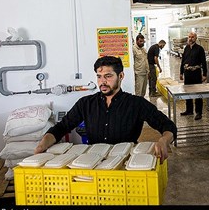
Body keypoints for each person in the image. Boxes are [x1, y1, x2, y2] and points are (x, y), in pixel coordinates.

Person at [35, 56, 176, 164]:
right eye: (99, 76)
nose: (102, 81)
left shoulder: (136, 104)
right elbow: (62, 127)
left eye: (108, 76)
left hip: (126, 163)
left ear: (120, 76)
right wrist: (43, 143)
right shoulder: (86, 104)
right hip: (94, 163)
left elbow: (168, 126)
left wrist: (164, 140)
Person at [179, 32, 207, 120]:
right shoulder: (186, 48)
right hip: (187, 74)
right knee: (188, 93)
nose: (190, 38)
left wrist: (204, 74)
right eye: (189, 37)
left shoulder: (200, 49)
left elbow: (204, 62)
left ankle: (199, 112)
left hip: (196, 73)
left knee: (198, 93)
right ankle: (189, 110)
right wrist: (181, 72)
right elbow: (183, 61)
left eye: (192, 37)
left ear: (196, 38)